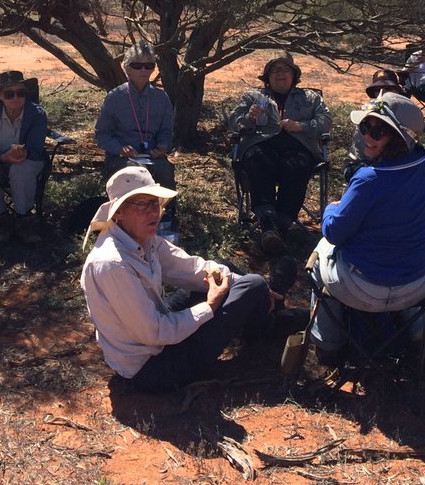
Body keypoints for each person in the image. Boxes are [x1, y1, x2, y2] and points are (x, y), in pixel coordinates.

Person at [79, 167, 279, 393]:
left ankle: (265, 306)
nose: (154, 211)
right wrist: (210, 306)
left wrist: (233, 282)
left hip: (158, 337)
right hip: (153, 369)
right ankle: (268, 324)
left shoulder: (142, 239)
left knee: (221, 271)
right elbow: (154, 333)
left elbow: (189, 268)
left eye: (155, 203)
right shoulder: (113, 264)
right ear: (118, 213)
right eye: (143, 205)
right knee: (252, 285)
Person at [310, 96, 425, 365]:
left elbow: (334, 231)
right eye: (366, 127)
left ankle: (328, 345)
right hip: (418, 284)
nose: (368, 136)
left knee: (319, 253)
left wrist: (331, 209)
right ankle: (419, 331)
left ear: (399, 138)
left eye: (379, 131)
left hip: (366, 290)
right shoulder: (424, 167)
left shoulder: (369, 179)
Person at [229, 52, 332, 253]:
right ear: (267, 76)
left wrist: (301, 126)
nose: (280, 73)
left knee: (297, 164)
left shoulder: (310, 98)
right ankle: (268, 224)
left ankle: (281, 224)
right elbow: (234, 122)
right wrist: (249, 118)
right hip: (262, 144)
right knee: (257, 159)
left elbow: (325, 121)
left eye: (285, 69)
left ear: (294, 75)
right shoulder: (253, 97)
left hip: (298, 146)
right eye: (275, 70)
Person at [0, 71, 49, 227]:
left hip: (27, 161)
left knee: (21, 169)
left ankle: (24, 218)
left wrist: (24, 153)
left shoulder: (37, 114)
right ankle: (1, 220)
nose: (16, 98)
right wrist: (1, 158)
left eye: (21, 92)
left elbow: (36, 149)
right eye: (9, 94)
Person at [94, 42, 175, 189]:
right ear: (127, 69)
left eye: (149, 66)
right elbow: (102, 134)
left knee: (164, 171)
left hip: (152, 158)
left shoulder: (161, 98)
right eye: (138, 66)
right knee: (134, 173)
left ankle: (166, 211)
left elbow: (166, 131)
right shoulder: (115, 97)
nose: (143, 70)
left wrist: (162, 146)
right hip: (121, 159)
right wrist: (120, 149)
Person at [343, 74, 417, 183]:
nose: (383, 92)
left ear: (397, 90)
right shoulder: (366, 117)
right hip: (366, 168)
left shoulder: (406, 115)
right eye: (378, 89)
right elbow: (362, 154)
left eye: (388, 88)